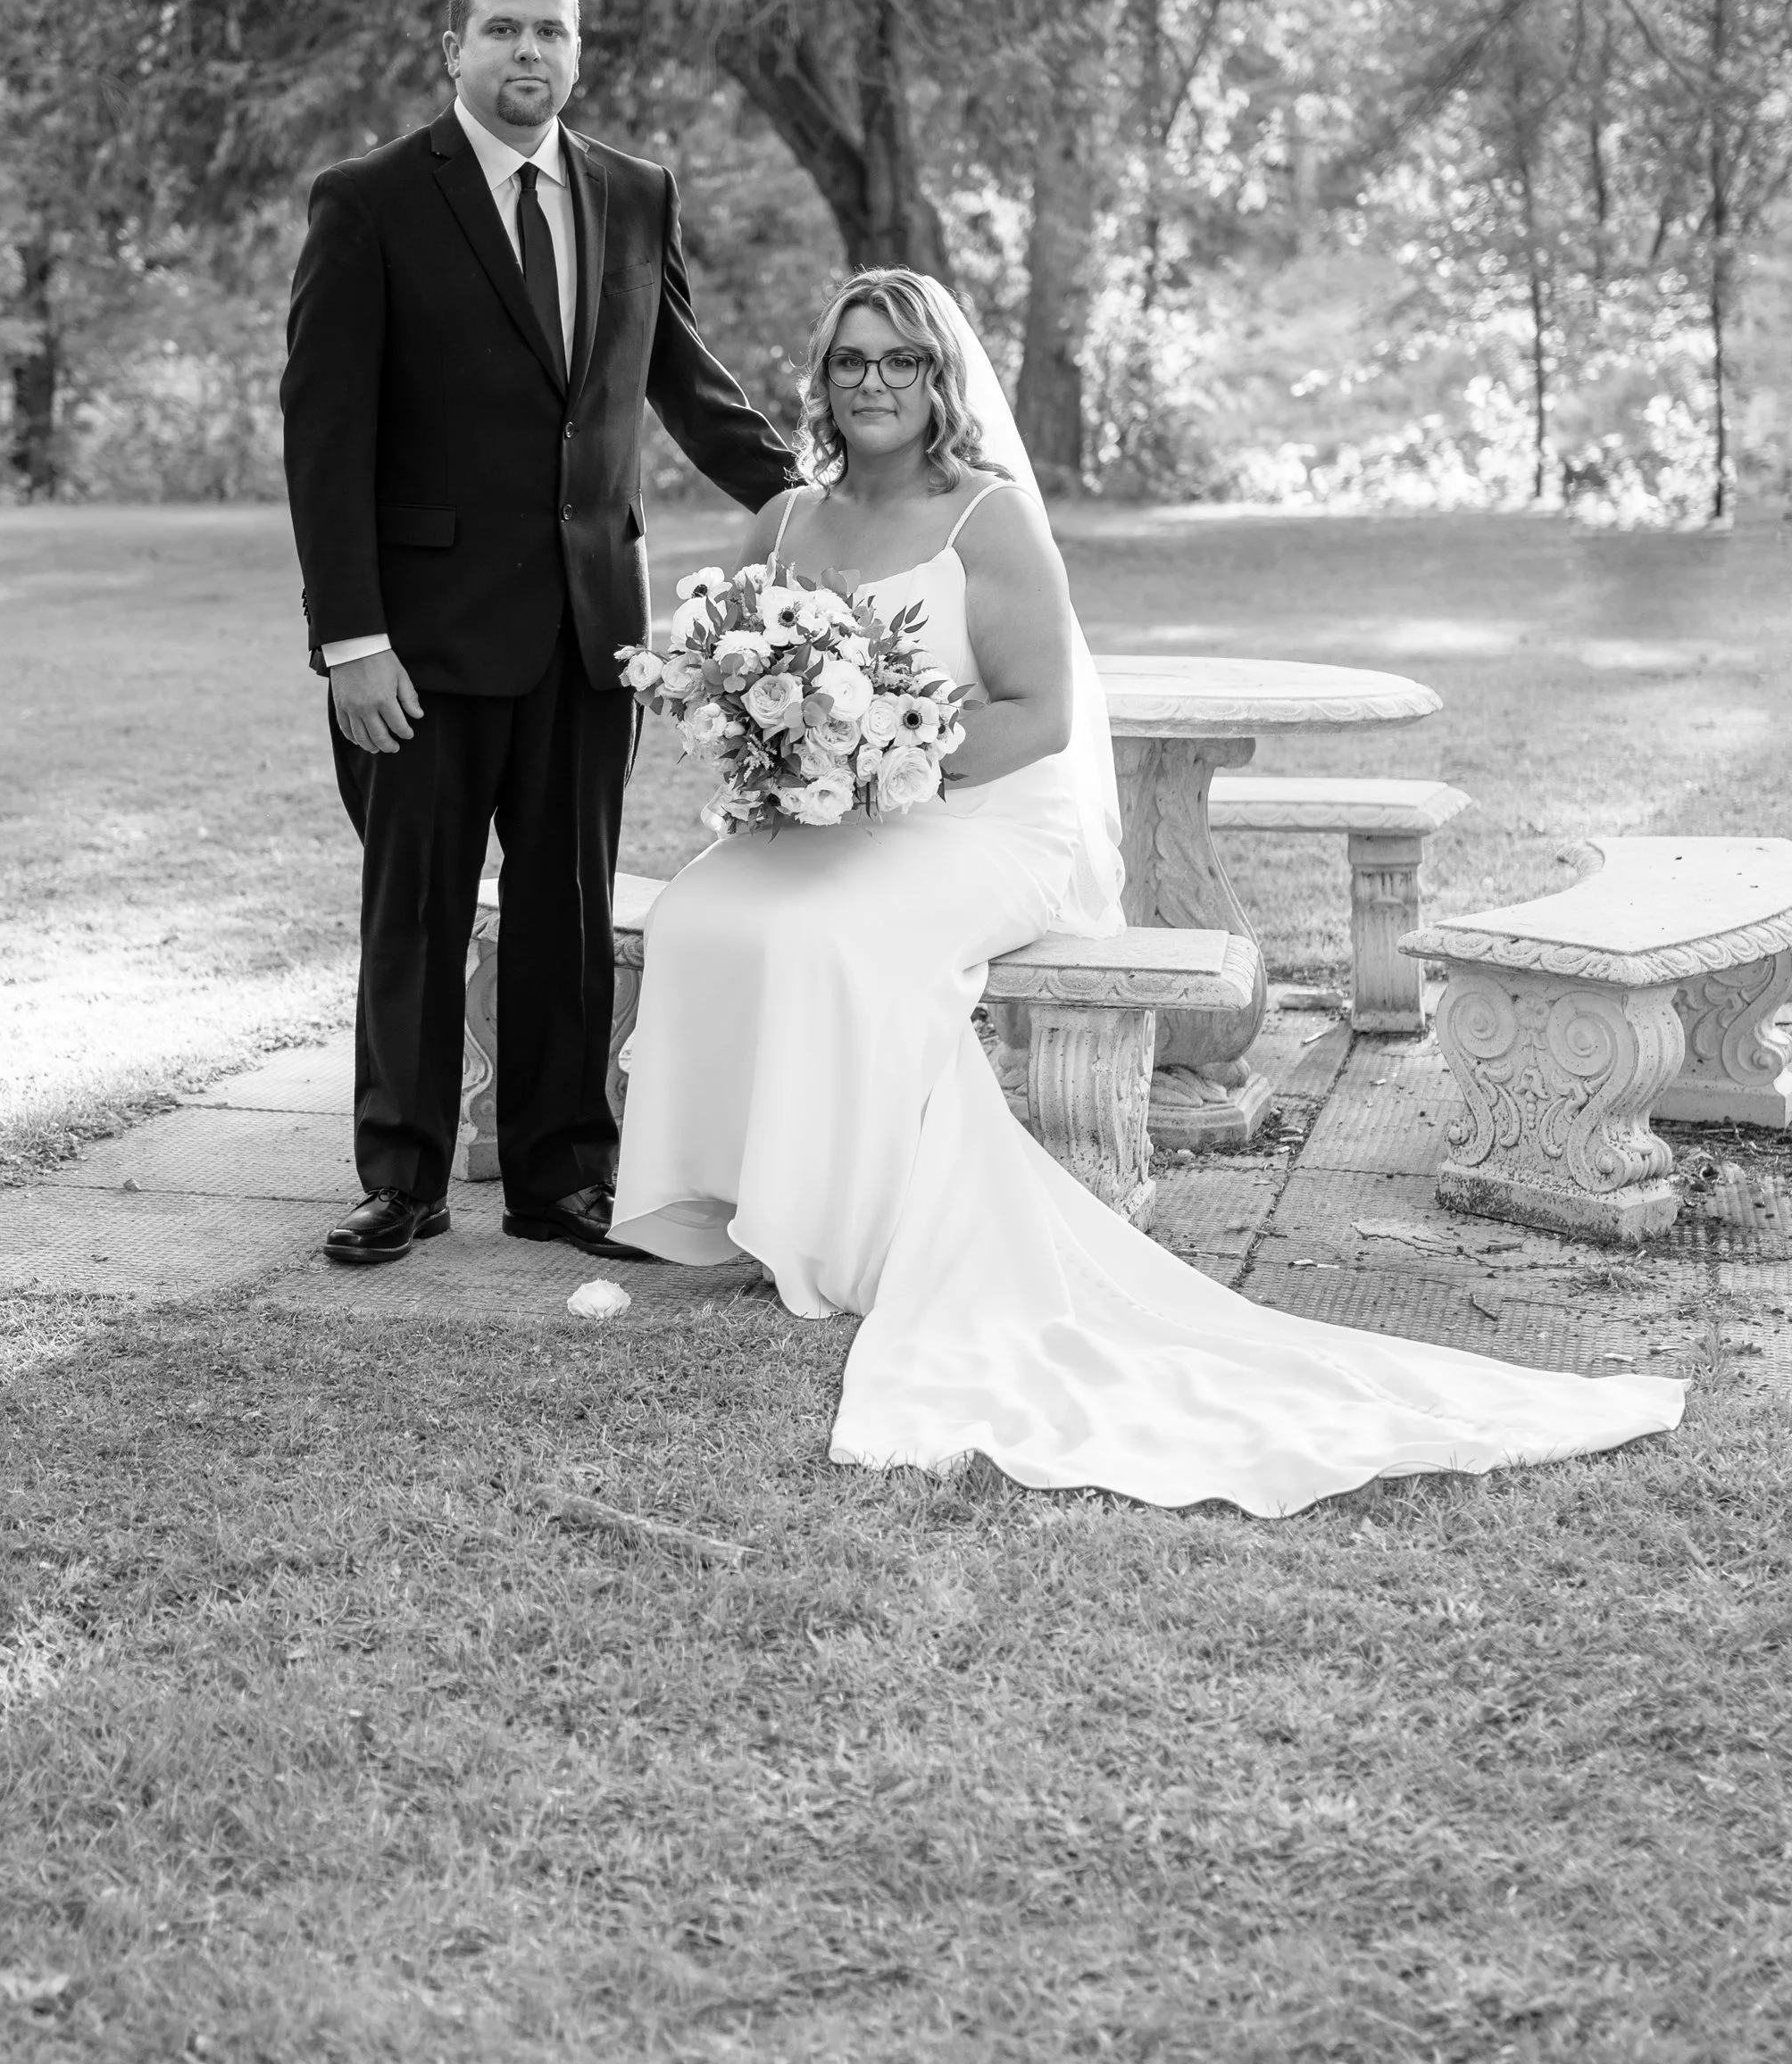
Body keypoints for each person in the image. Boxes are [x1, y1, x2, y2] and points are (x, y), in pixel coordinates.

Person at [611, 270, 1688, 1516]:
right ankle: (731, 1195)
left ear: (939, 379)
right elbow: (720, 671)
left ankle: (833, 1227)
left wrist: (878, 763)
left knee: (827, 937)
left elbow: (1039, 716)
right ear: (823, 378)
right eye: (851, 361)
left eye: (901, 361)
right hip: (835, 816)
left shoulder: (990, 520)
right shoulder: (787, 519)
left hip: (975, 822)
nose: (873, 384)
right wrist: (777, 749)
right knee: (700, 912)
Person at [281, 0, 796, 1267]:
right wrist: (352, 640)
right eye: (503, 29)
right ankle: (401, 1178)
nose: (529, 52)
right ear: (452, 48)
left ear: (578, 51)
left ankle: (562, 1176)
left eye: (550, 32)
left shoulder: (635, 193)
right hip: (420, 645)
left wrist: (820, 498)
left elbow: (688, 386)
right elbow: (325, 441)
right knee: (418, 913)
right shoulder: (370, 201)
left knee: (568, 911)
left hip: (588, 633)